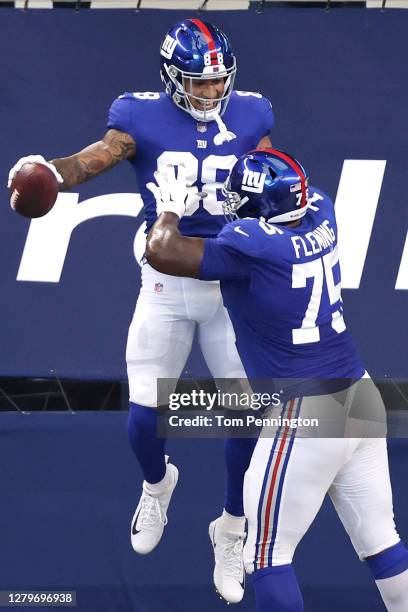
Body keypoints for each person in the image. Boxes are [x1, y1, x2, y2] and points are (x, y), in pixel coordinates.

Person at [8, 19, 274, 604]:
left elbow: (266, 173)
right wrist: (53, 173)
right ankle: (158, 484)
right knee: (143, 416)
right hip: (165, 281)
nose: (211, 94)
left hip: (230, 284)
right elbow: (96, 158)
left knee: (243, 415)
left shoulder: (252, 113)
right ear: (172, 79)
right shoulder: (139, 115)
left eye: (217, 83)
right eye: (199, 84)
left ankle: (231, 525)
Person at [144, 148, 408, 611]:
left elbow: (163, 251)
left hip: (304, 409)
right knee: (383, 543)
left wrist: (168, 209)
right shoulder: (321, 209)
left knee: (266, 557)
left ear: (257, 212)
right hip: (359, 396)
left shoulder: (253, 243)